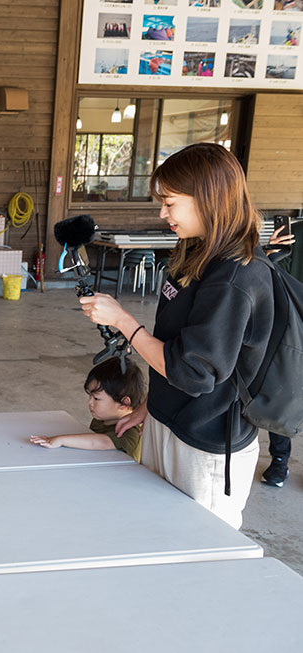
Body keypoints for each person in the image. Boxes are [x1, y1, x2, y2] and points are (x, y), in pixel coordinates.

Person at [80, 142, 275, 529]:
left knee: (197, 544)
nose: (162, 213)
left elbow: (191, 372)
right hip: (167, 423)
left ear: (209, 199)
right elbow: (175, 345)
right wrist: (152, 406)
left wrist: (123, 321)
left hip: (205, 444)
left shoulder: (236, 277)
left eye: (170, 203)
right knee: (156, 531)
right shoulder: (194, 252)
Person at [30, 358, 145, 463]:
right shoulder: (101, 419)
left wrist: (61, 440)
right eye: (89, 396)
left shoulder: (130, 431)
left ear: (124, 403)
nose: (90, 402)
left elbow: (101, 442)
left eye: (96, 398)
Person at [260, 222, 297, 487]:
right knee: (282, 394)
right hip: (289, 325)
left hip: (288, 325)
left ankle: (280, 462)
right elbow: (270, 273)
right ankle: (280, 461)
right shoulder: (296, 232)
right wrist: (269, 253)